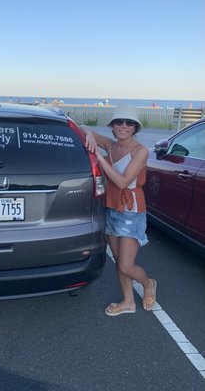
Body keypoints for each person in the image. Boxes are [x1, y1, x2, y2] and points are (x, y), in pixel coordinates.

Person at [81, 104, 157, 316]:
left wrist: (100, 158)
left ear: (135, 128)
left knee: (125, 265)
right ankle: (128, 302)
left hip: (131, 211)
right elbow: (82, 127)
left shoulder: (140, 151)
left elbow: (123, 182)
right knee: (117, 259)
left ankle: (148, 283)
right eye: (119, 122)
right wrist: (88, 134)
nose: (123, 126)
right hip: (112, 207)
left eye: (129, 123)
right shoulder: (112, 145)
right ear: (112, 126)